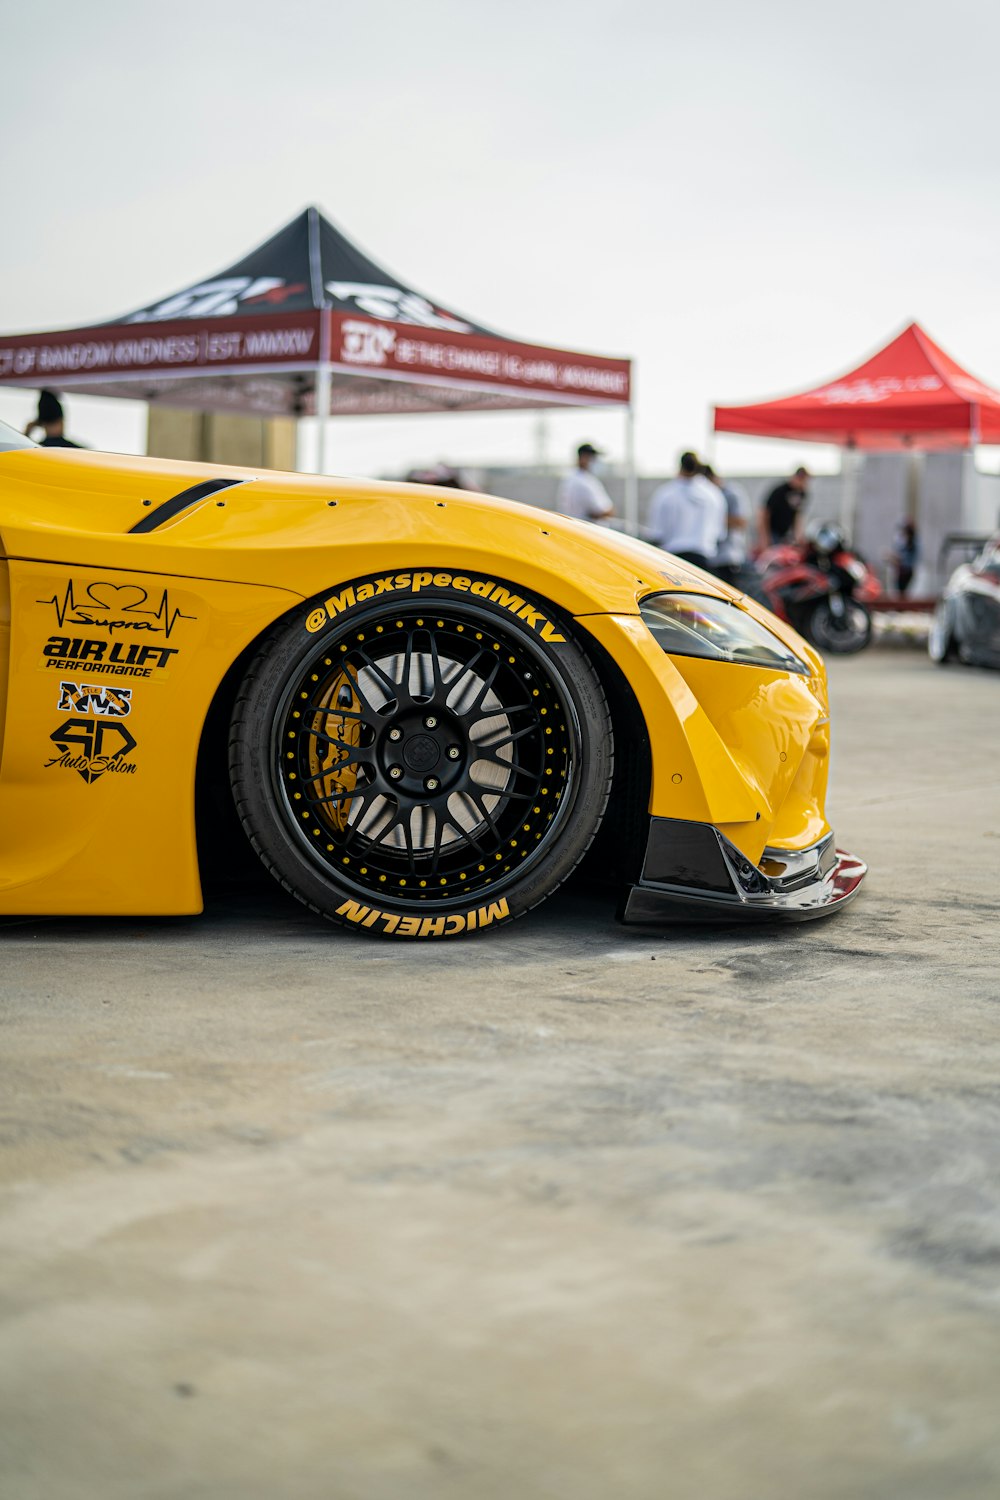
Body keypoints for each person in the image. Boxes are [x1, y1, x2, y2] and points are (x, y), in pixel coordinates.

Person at [646, 451, 727, 571]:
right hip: (703, 558)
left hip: (673, 558)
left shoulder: (666, 493)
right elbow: (720, 533)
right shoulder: (713, 494)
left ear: (680, 466)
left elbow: (657, 533)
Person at [702, 463, 752, 586]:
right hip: (711, 557)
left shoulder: (732, 493)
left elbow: (741, 521)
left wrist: (712, 519)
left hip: (728, 556)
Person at [556, 442, 614, 525]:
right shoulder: (582, 482)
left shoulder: (571, 478)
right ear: (583, 458)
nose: (595, 461)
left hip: (574, 527)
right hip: (587, 530)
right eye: (592, 457)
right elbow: (601, 511)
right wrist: (608, 511)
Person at [759, 465, 809, 546]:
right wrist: (764, 537)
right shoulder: (780, 491)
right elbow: (764, 513)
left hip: (785, 533)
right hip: (773, 531)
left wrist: (798, 536)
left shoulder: (802, 493)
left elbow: (797, 516)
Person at [891, 520, 919, 594]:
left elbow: (903, 559)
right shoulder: (907, 543)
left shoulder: (912, 544)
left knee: (902, 594)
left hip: (905, 572)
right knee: (901, 593)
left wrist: (893, 557)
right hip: (903, 571)